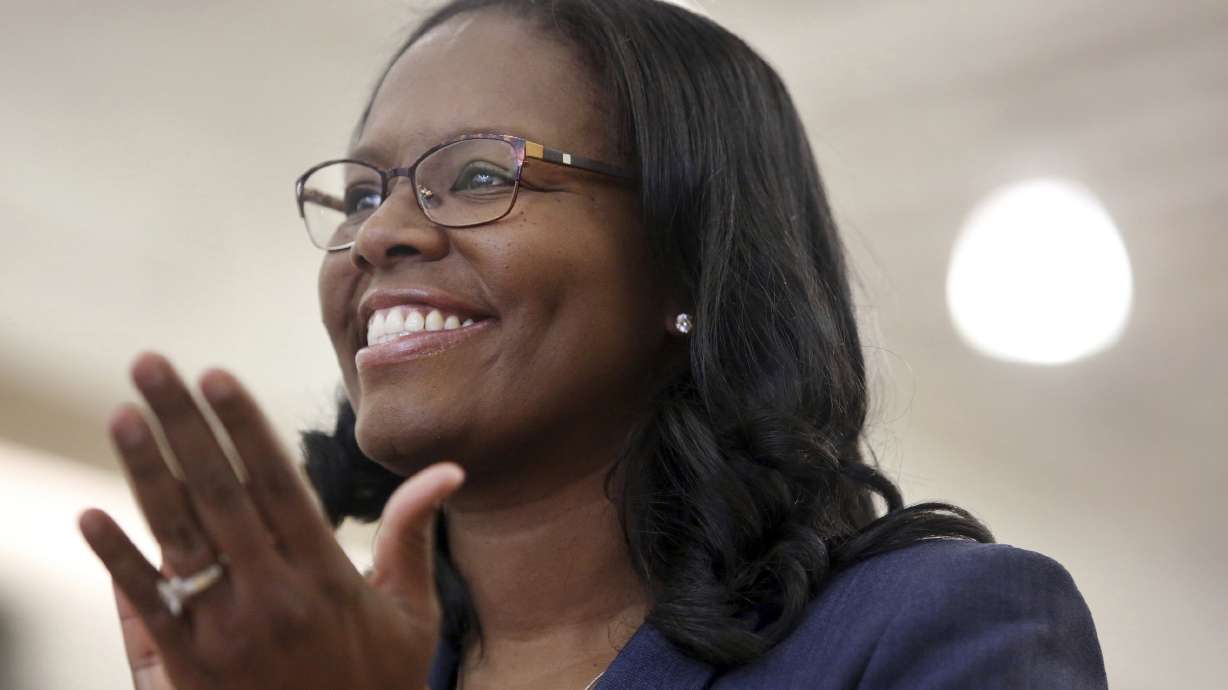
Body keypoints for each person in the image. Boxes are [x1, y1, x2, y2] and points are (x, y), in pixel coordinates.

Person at [79, 0, 1108, 688]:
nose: (382, 230)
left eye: (479, 176)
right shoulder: (316, 665)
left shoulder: (936, 631)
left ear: (687, 262)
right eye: (361, 192)